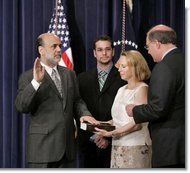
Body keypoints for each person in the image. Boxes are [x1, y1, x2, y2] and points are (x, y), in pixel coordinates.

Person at [15, 33, 98, 168]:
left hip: (67, 148)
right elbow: (22, 106)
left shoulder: (69, 73)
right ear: (41, 50)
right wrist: (36, 82)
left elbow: (77, 100)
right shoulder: (28, 76)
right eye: (54, 46)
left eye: (60, 46)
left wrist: (85, 113)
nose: (59, 50)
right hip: (43, 150)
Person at [125, 24, 185, 168]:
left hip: (170, 147)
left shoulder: (164, 67)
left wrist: (134, 110)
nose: (149, 52)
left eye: (148, 47)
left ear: (157, 44)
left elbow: (158, 108)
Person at [95, 50, 152, 168]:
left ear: (135, 67)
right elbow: (117, 119)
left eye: (123, 66)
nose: (119, 69)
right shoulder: (122, 89)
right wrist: (99, 124)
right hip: (117, 146)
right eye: (119, 66)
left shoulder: (142, 89)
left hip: (135, 146)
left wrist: (111, 133)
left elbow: (137, 124)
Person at [77, 35, 126, 168]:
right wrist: (94, 135)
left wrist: (108, 137)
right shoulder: (81, 78)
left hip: (115, 142)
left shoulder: (124, 77)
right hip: (88, 144)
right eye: (100, 50)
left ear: (113, 51)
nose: (104, 53)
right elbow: (78, 107)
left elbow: (125, 114)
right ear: (94, 53)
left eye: (107, 49)